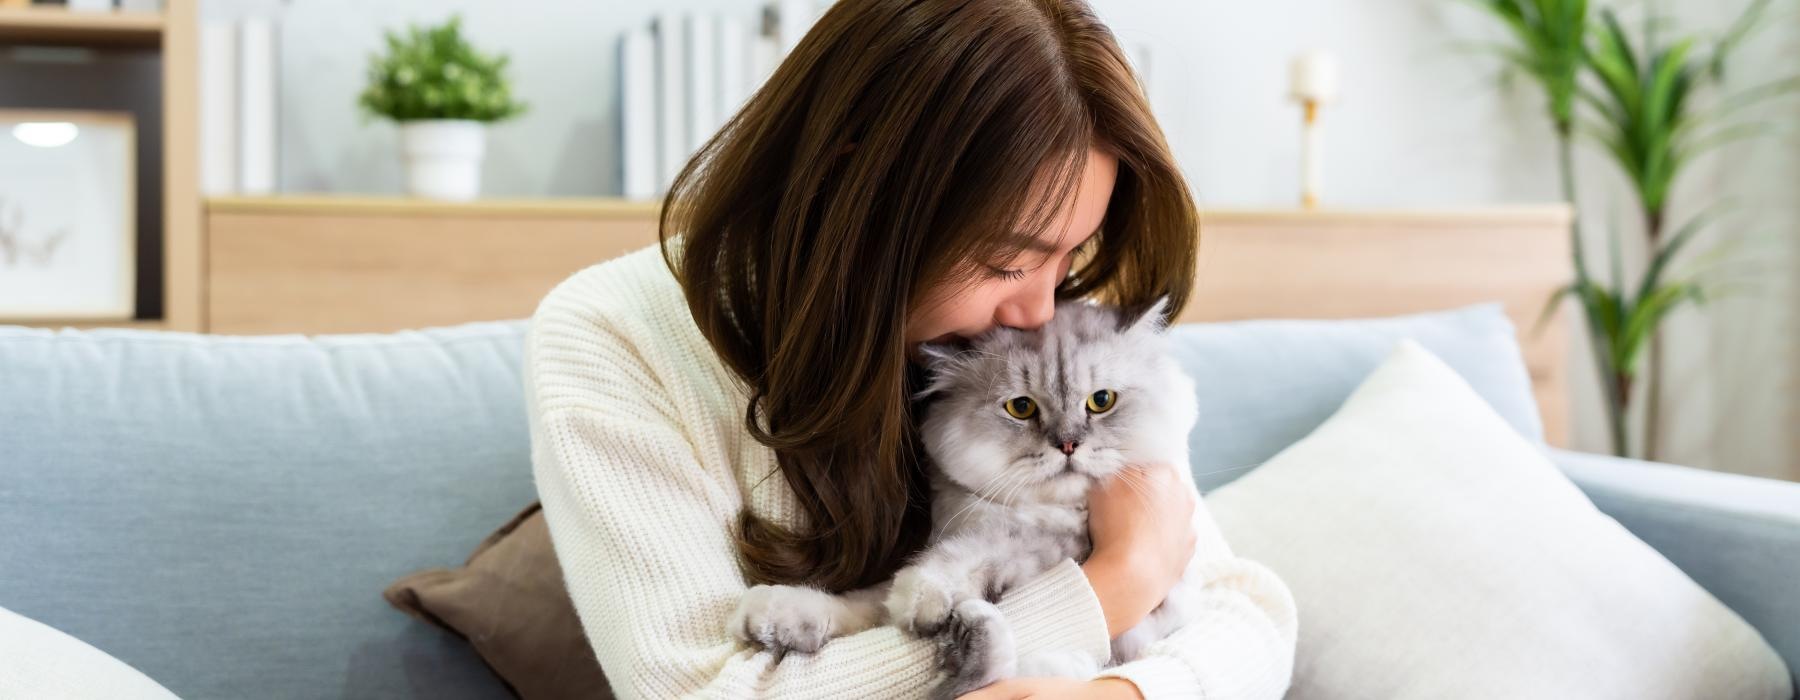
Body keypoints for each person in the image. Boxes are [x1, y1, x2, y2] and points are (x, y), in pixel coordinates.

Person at [522, 1, 1297, 697]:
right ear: (857, 188)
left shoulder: (1067, 351)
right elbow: (703, 694)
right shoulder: (612, 339)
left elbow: (1248, 616)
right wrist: (1112, 585)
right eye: (1006, 262)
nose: (1038, 310)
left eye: (1068, 258)